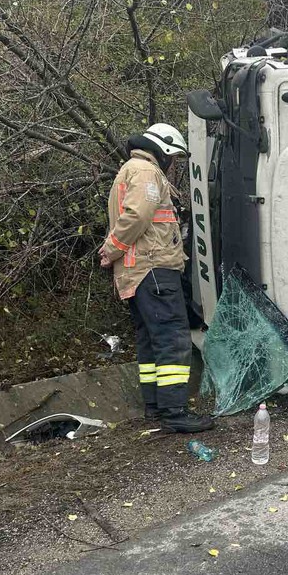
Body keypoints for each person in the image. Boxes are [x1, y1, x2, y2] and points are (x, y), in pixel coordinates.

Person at [99, 123, 214, 433]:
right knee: (173, 339)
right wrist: (111, 249)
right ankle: (175, 413)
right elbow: (137, 216)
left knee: (150, 341)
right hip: (153, 270)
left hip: (136, 274)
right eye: (173, 156)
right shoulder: (146, 173)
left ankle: (155, 408)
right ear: (162, 150)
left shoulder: (129, 170)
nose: (173, 163)